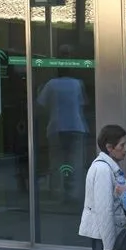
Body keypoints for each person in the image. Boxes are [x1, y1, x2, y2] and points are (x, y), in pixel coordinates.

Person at [38, 45, 91, 203]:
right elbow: (84, 103)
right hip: (76, 126)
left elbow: (40, 105)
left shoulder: (51, 84)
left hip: (56, 127)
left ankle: (58, 194)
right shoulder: (77, 84)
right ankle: (74, 194)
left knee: (56, 162)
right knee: (75, 162)